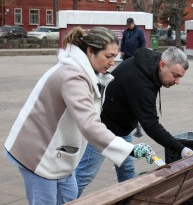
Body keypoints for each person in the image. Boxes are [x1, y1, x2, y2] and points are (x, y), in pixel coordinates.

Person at [3, 26, 155, 205]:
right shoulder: (73, 76)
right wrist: (128, 149)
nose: (113, 62)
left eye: (115, 56)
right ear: (90, 51)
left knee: (70, 197)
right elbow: (89, 124)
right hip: (38, 152)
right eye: (108, 56)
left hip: (59, 153)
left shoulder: (87, 73)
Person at [75, 46, 193, 196]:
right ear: (163, 65)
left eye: (180, 77)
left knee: (127, 171)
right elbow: (151, 124)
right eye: (175, 75)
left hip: (122, 126)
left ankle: (130, 200)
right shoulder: (141, 81)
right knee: (83, 175)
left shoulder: (153, 64)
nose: (177, 81)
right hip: (103, 127)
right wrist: (181, 149)